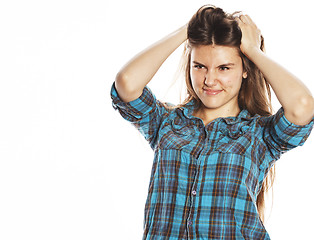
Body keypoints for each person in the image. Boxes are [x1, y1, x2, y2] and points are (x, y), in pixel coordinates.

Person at [110, 5, 314, 239]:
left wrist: (253, 52)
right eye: (199, 66)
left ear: (245, 70)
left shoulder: (259, 134)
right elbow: (126, 83)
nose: (209, 80)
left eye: (224, 68)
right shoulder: (166, 123)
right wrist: (187, 30)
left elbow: (302, 106)